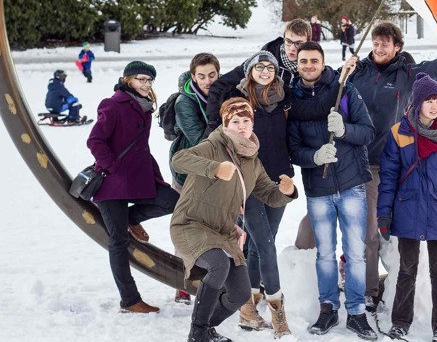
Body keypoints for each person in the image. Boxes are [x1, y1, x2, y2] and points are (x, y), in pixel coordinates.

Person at [294, 21, 437, 311]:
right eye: (376, 42)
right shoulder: (357, 70)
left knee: (368, 230)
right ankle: (300, 281)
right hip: (345, 158)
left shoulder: (409, 75)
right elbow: (323, 90)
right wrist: (341, 75)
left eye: (386, 43)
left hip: (376, 165)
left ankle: (369, 291)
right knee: (311, 224)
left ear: (397, 47)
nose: (379, 48)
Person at [171, 98, 298, 342]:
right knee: (219, 265)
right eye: (235, 121)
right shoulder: (213, 145)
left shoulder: (253, 161)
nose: (241, 126)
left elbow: (268, 195)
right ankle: (197, 334)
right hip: (191, 224)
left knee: (240, 293)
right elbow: (180, 159)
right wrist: (215, 168)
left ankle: (207, 327)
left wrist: (286, 191)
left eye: (246, 121)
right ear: (226, 124)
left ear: (253, 124)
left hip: (223, 232)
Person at [286, 42, 377, 340]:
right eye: (303, 61)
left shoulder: (344, 91)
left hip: (351, 185)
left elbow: (368, 132)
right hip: (318, 190)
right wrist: (314, 157)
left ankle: (356, 312)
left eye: (314, 60)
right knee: (324, 254)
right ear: (297, 64)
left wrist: (344, 130)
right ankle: (327, 309)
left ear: (324, 63)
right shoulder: (293, 100)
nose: (309, 65)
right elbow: (293, 149)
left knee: (356, 253)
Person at [378, 73, 437, 342]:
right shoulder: (399, 133)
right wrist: (384, 213)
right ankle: (400, 322)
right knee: (406, 270)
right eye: (428, 100)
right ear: (417, 103)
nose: (434, 106)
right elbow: (388, 177)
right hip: (407, 211)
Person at [86, 61, 179, 313]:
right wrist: (113, 167)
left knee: (172, 201)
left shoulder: (145, 106)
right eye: (141, 79)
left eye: (149, 81)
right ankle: (130, 300)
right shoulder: (113, 104)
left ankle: (128, 218)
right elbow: (95, 140)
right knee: (118, 241)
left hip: (140, 176)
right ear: (128, 80)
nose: (146, 84)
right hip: (112, 181)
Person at [216, 51, 295, 336]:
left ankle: (249, 309)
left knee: (260, 247)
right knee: (265, 245)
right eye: (259, 66)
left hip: (277, 182)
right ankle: (278, 313)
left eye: (270, 67)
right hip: (247, 185)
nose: (265, 71)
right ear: (249, 71)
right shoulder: (240, 105)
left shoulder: (284, 99)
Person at [169, 53, 220, 304]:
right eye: (201, 76)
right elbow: (202, 141)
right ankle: (181, 282)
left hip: (213, 175)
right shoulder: (184, 102)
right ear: (193, 77)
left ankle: (210, 277)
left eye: (212, 75)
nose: (207, 80)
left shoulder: (221, 95)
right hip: (187, 173)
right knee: (185, 229)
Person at [205, 19, 312, 136]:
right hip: (259, 131)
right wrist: (214, 124)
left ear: (308, 43)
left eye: (298, 43)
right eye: (288, 41)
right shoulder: (262, 62)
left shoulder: (309, 67)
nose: (292, 48)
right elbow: (221, 85)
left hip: (288, 133)